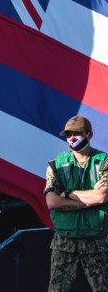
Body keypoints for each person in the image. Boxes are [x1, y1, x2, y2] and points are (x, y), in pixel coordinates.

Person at [45, 114, 108, 291]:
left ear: (89, 135)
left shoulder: (104, 162)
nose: (71, 138)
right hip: (64, 241)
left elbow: (101, 197)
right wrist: (88, 201)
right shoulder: (57, 164)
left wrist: (68, 193)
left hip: (97, 241)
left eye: (77, 134)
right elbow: (52, 201)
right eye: (68, 135)